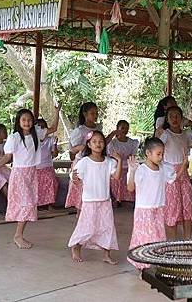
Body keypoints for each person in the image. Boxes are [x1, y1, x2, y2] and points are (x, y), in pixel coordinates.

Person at [0, 107, 60, 249]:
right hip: (20, 174)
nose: (27, 122)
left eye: (29, 120)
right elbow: (8, 156)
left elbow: (54, 128)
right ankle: (18, 236)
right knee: (25, 203)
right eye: (24, 120)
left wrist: (57, 111)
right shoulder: (14, 138)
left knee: (30, 203)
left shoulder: (36, 134)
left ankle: (19, 235)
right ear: (18, 122)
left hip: (32, 173)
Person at [68, 130, 120, 265]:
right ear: (89, 145)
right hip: (90, 201)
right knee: (87, 227)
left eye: (101, 141)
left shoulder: (109, 162)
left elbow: (117, 176)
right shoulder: (85, 161)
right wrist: (73, 178)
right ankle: (76, 246)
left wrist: (119, 160)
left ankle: (106, 254)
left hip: (105, 200)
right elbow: (74, 176)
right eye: (95, 142)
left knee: (107, 227)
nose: (98, 144)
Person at [127, 137, 176, 269]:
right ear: (148, 153)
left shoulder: (162, 169)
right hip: (144, 210)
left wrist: (183, 165)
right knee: (146, 238)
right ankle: (143, 266)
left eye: (162, 154)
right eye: (158, 154)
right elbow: (130, 188)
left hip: (158, 209)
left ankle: (152, 263)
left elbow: (173, 178)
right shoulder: (141, 170)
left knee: (158, 236)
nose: (161, 157)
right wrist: (132, 171)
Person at [155, 106, 192, 239]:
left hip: (184, 174)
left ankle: (187, 240)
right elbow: (156, 151)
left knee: (188, 205)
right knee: (172, 207)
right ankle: (173, 242)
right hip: (170, 174)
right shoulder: (165, 134)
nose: (174, 119)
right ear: (167, 119)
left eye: (177, 116)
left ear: (182, 118)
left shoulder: (187, 134)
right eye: (171, 116)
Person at [66, 102, 99, 213]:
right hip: (82, 162)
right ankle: (80, 213)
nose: (95, 115)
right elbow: (72, 153)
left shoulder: (98, 128)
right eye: (92, 113)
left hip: (95, 163)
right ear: (85, 114)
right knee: (81, 188)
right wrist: (80, 148)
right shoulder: (79, 131)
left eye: (96, 113)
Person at [106, 120, 139, 206]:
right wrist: (119, 159)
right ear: (117, 128)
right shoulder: (112, 143)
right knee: (116, 176)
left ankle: (129, 199)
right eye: (122, 128)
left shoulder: (132, 142)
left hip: (128, 166)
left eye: (127, 128)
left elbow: (132, 156)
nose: (125, 130)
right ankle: (117, 199)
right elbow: (111, 156)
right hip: (117, 166)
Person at [36, 118, 59, 211]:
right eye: (39, 127)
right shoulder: (32, 140)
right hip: (36, 167)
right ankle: (36, 204)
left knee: (51, 180)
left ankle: (50, 204)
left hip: (47, 166)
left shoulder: (50, 140)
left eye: (43, 127)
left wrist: (55, 145)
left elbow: (55, 154)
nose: (41, 129)